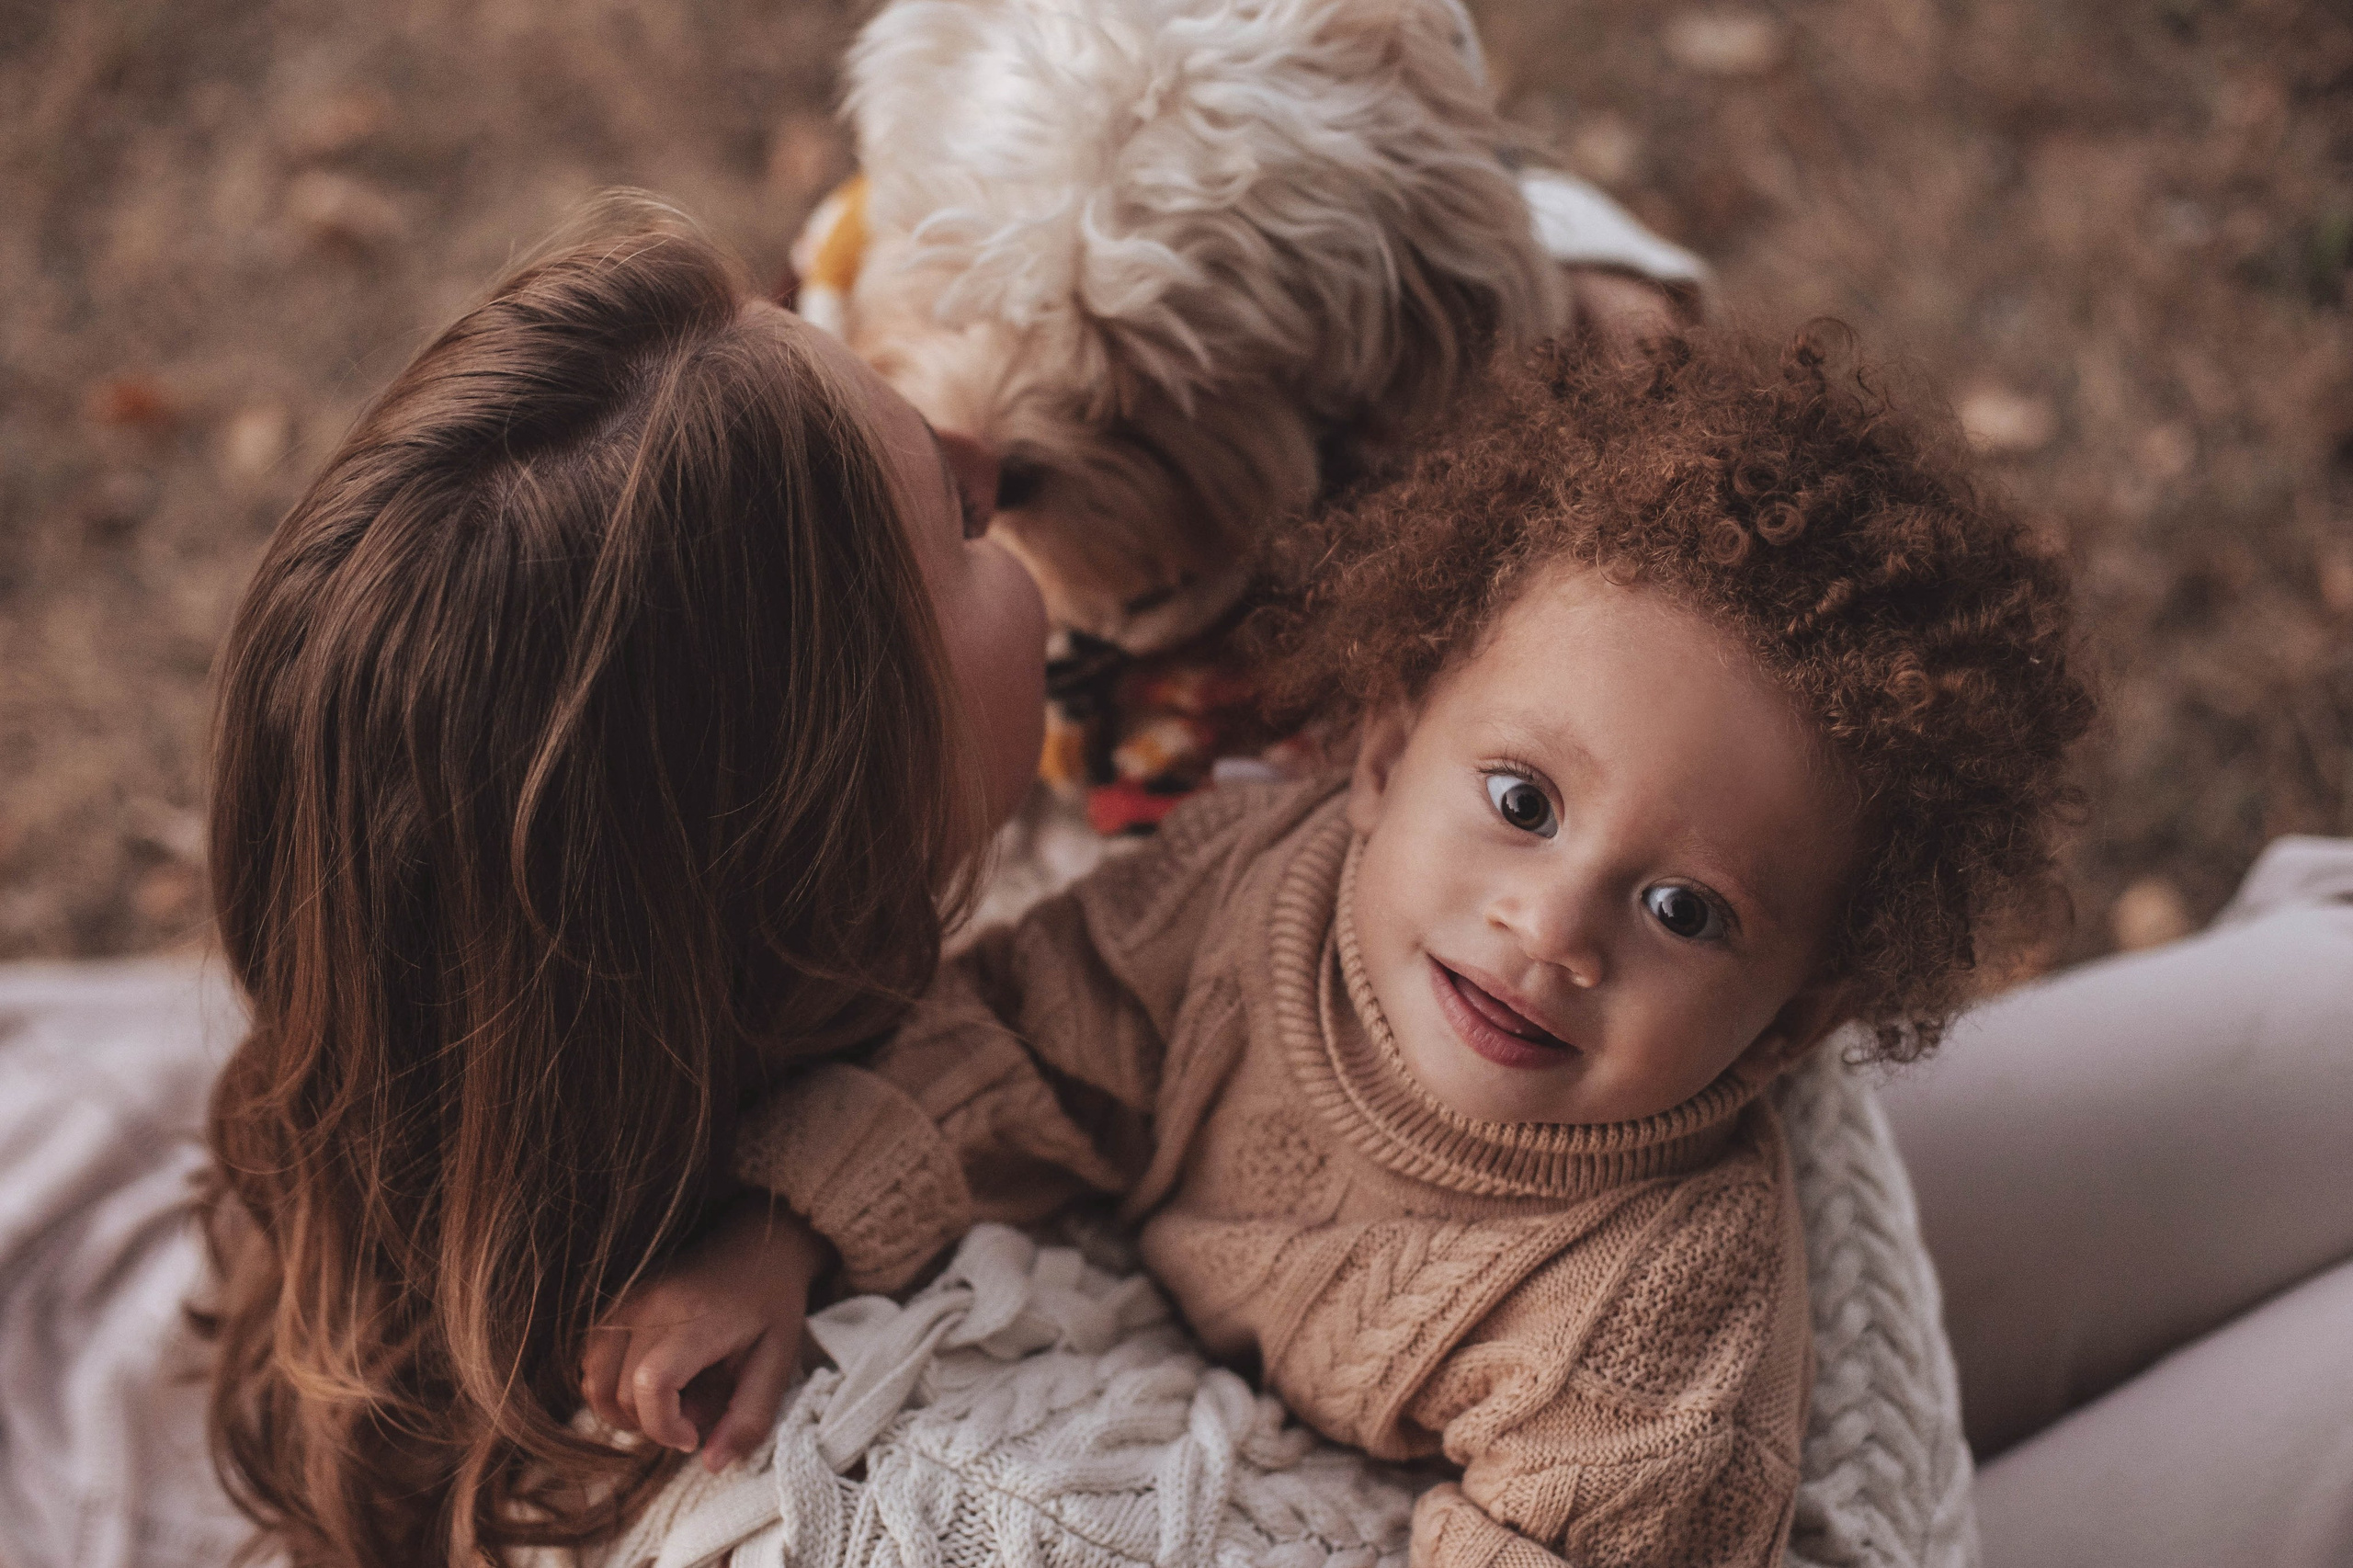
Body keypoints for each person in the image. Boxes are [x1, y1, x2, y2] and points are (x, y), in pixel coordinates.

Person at [588, 332, 2093, 1567]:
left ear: (1793, 1020)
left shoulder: (1656, 1308)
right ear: (1379, 751)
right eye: (1522, 802)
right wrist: (787, 1224)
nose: (1551, 926)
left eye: (1685, 910)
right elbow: (1024, 1032)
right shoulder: (1253, 894)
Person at [192, 195, 1015, 1568]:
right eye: (962, 514)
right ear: (827, 849)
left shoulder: (398, 1170)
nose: (1002, 457)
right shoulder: (864, 1447)